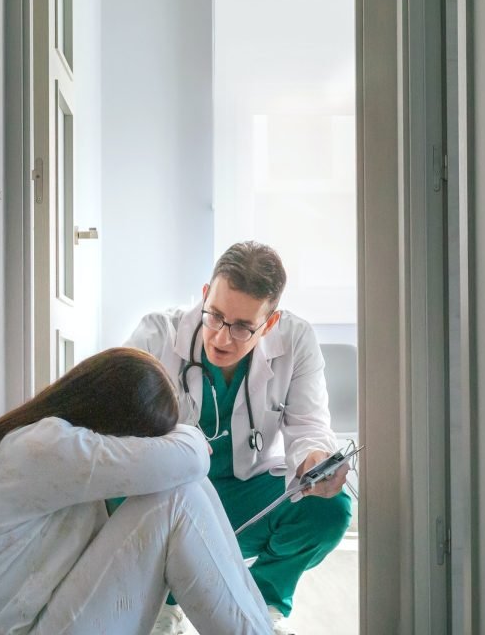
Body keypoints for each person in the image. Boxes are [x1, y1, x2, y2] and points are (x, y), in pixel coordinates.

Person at [0, 346, 273, 635]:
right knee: (176, 498)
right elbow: (190, 459)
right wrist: (183, 436)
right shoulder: (48, 448)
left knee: (188, 485)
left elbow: (187, 466)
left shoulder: (38, 437)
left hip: (39, 620)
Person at [125, 242, 352, 635]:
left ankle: (260, 605)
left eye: (244, 326)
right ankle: (164, 603)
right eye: (214, 316)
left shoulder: (296, 341)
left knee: (331, 510)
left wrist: (315, 458)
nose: (222, 339)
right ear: (204, 296)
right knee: (110, 492)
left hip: (245, 498)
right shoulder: (155, 334)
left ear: (271, 322)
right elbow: (119, 431)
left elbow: (309, 424)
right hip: (170, 498)